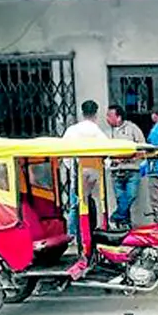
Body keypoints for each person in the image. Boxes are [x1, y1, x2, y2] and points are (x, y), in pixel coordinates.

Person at [62, 100, 108, 234]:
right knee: (97, 202)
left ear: (82, 113)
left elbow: (64, 151)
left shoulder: (72, 130)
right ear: (96, 114)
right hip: (95, 172)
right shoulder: (97, 131)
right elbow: (106, 151)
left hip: (78, 173)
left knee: (76, 205)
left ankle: (72, 235)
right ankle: (96, 230)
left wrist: (72, 168)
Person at [104, 104, 146, 230]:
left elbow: (142, 148)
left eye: (110, 116)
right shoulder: (107, 133)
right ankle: (124, 225)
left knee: (130, 196)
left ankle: (117, 215)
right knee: (120, 198)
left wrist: (129, 157)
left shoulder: (133, 129)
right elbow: (104, 152)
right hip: (116, 171)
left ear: (119, 117)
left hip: (132, 170)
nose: (107, 118)